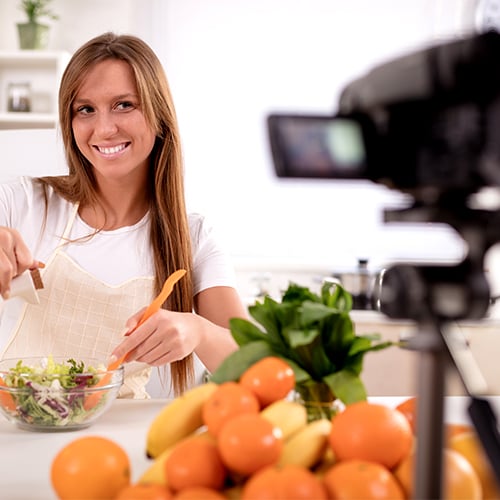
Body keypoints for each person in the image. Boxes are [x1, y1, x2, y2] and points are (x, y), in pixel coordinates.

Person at [0, 32, 247, 398]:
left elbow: (259, 369)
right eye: (85, 109)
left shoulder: (192, 237)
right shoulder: (25, 200)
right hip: (15, 435)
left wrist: (199, 331)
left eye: (124, 105)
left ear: (159, 114)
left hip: (121, 443)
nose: (104, 128)